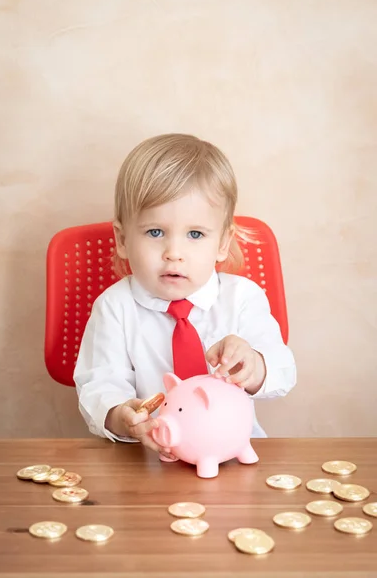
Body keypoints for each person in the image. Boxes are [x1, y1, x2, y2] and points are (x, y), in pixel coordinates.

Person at [74, 133, 296, 459]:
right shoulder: (114, 307)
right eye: (155, 232)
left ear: (222, 243)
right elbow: (100, 386)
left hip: (234, 453)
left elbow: (283, 371)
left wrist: (253, 364)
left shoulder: (243, 298)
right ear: (122, 239)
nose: (173, 253)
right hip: (149, 457)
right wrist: (122, 416)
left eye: (195, 234)